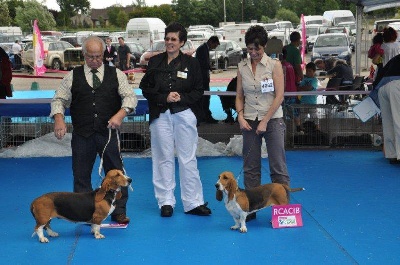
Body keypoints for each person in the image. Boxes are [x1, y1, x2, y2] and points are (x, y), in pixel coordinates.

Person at [50, 36, 138, 224]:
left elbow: (130, 97)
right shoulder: (72, 76)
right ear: (83, 55)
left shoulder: (117, 75)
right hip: (82, 134)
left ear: (104, 54)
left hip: (108, 134)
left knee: (117, 175)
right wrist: (59, 118)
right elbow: (59, 99)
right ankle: (83, 213)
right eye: (91, 57)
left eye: (98, 56)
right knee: (81, 174)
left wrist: (120, 115)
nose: (95, 61)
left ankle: (119, 211)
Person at [139, 22, 211, 218]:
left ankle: (193, 202)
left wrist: (182, 98)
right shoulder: (154, 62)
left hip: (184, 113)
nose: (170, 42)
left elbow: (199, 90)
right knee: (163, 157)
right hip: (160, 114)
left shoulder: (192, 64)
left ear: (182, 42)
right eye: (167, 38)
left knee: (188, 158)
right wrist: (164, 97)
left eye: (174, 39)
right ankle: (166, 201)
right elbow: (145, 88)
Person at [235, 25, 290, 222]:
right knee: (250, 167)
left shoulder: (274, 65)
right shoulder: (242, 67)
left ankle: (283, 211)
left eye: (257, 49)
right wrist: (240, 116)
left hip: (273, 119)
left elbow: (280, 96)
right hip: (249, 119)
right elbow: (239, 95)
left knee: (278, 166)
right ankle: (250, 209)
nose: (253, 53)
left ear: (264, 46)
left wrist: (265, 121)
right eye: (250, 49)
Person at [374, 54, 400, 164]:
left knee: (388, 122)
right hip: (397, 86)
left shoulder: (396, 58)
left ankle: (392, 155)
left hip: (383, 89)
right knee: (398, 120)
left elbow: (379, 76)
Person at [195, 35, 220, 124]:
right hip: (202, 79)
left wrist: (210, 68)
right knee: (204, 98)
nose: (214, 48)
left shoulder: (203, 48)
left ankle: (204, 116)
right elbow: (202, 63)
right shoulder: (202, 49)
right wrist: (209, 67)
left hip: (203, 77)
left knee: (205, 98)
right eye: (215, 45)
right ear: (211, 42)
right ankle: (205, 116)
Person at [297, 62, 319, 128]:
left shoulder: (315, 80)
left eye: (310, 71)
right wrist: (304, 88)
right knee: (302, 119)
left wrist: (303, 88)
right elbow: (299, 88)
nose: (308, 72)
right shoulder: (304, 79)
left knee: (314, 118)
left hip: (312, 103)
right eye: (307, 71)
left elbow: (309, 88)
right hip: (303, 102)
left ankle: (317, 130)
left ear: (314, 71)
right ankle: (303, 131)